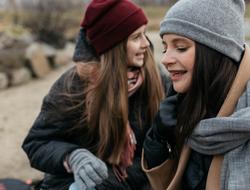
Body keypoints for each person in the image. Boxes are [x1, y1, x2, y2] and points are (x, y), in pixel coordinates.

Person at [22, 0, 169, 190]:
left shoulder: (155, 77)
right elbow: (37, 143)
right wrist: (72, 156)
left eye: (144, 33)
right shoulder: (74, 85)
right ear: (114, 45)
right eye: (135, 37)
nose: (146, 43)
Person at [142, 0, 250, 189]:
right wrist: (159, 141)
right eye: (165, 47)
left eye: (181, 47)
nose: (166, 59)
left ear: (215, 52)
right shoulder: (190, 101)